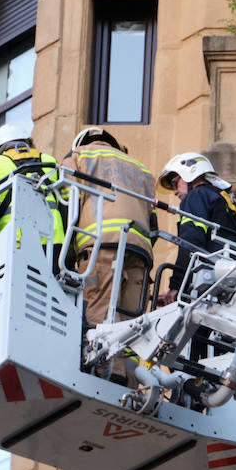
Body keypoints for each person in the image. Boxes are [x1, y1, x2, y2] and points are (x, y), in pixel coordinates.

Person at [60, 126, 158, 328]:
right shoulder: (141, 170)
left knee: (97, 320)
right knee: (131, 329)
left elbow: (69, 206)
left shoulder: (77, 156)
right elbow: (153, 225)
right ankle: (129, 361)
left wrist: (68, 257)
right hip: (139, 252)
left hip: (100, 247)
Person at [155, 153, 236, 306]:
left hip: (206, 282)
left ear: (189, 173)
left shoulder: (196, 196)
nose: (174, 191)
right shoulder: (224, 201)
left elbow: (190, 241)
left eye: (175, 182)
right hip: (226, 280)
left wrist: (177, 286)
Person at [0, 123, 65, 253]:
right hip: (54, 243)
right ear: (28, 143)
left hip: (14, 242)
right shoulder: (51, 162)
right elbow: (65, 206)